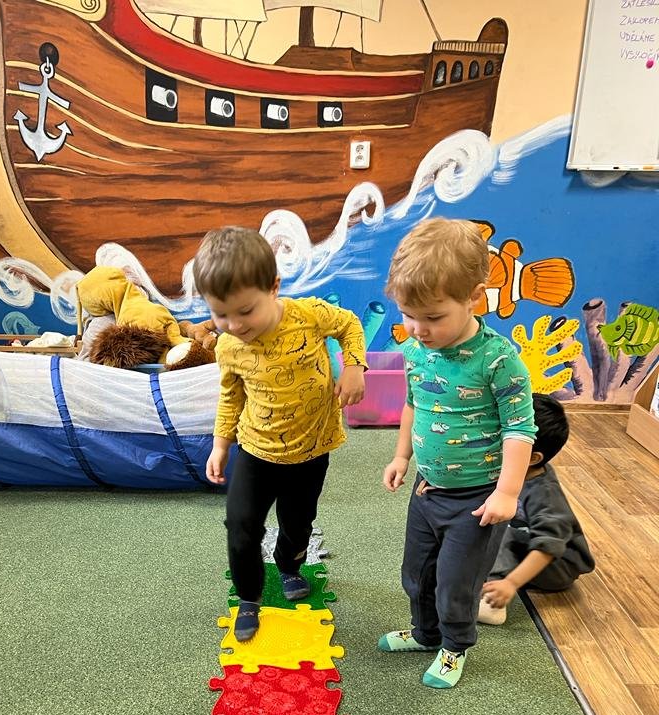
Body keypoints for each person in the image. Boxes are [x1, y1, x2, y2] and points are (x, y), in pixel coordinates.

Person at [378, 217, 536, 689]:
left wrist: (507, 492)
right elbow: (413, 404)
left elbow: (520, 429)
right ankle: (426, 634)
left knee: (455, 583)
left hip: (478, 500)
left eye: (432, 317)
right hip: (427, 489)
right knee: (417, 574)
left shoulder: (498, 359)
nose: (418, 329)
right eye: (409, 315)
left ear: (474, 297)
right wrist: (401, 457)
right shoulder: (417, 350)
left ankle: (454, 645)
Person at [194, 226, 367, 642]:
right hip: (256, 450)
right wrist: (220, 445)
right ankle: (249, 596)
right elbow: (231, 396)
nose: (234, 324)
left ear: (273, 287)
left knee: (298, 523)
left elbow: (350, 325)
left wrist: (354, 366)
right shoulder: (228, 346)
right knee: (240, 525)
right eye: (220, 315)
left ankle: (289, 566)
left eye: (245, 311)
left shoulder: (308, 314)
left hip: (311, 450)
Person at [479, 393, 595, 624]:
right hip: (526, 544)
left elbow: (549, 545)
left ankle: (491, 602)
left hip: (556, 566)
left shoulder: (545, 494)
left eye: (501, 440)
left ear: (532, 458)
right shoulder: (514, 471)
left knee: (499, 528)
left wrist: (510, 583)